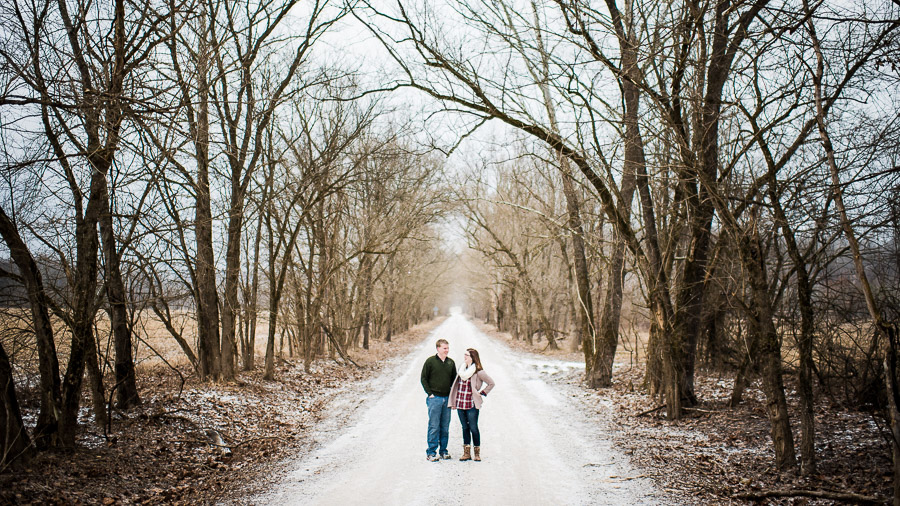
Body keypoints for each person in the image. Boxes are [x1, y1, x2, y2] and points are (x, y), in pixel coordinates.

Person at [449, 348, 495, 462]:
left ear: (472, 357)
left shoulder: (479, 372)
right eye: (464, 354)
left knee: (473, 428)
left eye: (467, 355)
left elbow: (491, 383)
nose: (464, 357)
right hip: (461, 403)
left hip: (472, 404)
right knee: (465, 428)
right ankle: (466, 453)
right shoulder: (462, 369)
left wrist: (482, 392)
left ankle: (477, 453)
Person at [421, 339, 456, 462]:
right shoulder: (430, 362)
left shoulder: (451, 363)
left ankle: (443, 451)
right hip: (434, 398)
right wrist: (429, 393)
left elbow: (454, 382)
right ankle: (431, 452)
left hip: (447, 399)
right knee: (434, 426)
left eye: (447, 348)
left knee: (445, 427)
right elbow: (423, 378)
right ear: (438, 348)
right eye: (444, 348)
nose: (447, 350)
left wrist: (452, 398)